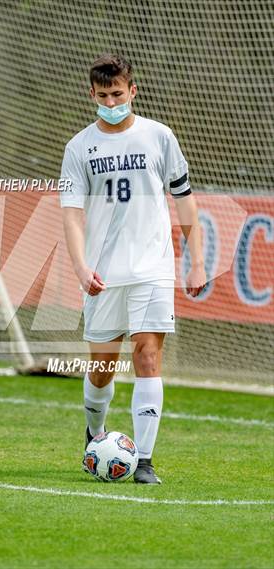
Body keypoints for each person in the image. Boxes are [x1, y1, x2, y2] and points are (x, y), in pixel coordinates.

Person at [60, 53, 206, 484]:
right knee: (103, 367)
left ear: (133, 91)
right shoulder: (78, 147)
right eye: (103, 95)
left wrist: (196, 261)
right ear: (92, 95)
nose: (111, 101)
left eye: (118, 94)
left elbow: (185, 201)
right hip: (104, 275)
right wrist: (81, 267)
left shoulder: (160, 137)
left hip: (153, 268)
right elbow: (70, 214)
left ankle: (143, 460)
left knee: (147, 355)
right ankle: (95, 431)